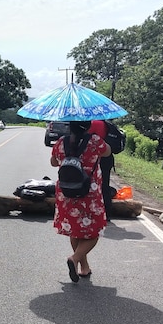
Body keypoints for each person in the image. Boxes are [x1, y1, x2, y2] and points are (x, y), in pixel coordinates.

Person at [50, 120, 111, 282]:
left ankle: (84, 267)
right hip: (88, 192)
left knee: (74, 228)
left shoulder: (61, 142)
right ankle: (75, 258)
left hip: (66, 193)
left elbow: (54, 162)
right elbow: (107, 152)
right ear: (87, 126)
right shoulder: (95, 141)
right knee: (95, 230)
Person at [88, 120, 115, 218]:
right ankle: (107, 212)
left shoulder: (94, 123)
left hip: (97, 155)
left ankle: (93, 211)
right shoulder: (106, 124)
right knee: (105, 185)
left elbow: (87, 138)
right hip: (107, 157)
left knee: (92, 184)